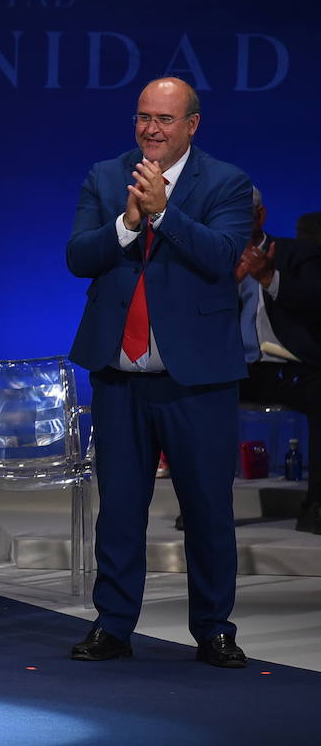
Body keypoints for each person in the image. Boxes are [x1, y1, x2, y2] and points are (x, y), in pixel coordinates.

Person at [67, 77, 253, 668]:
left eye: (165, 119)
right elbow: (78, 257)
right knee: (119, 508)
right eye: (143, 117)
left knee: (207, 509)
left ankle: (214, 628)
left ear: (192, 125)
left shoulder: (227, 182)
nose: (151, 128)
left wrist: (165, 213)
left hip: (196, 379)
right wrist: (125, 224)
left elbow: (221, 258)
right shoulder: (104, 175)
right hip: (120, 377)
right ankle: (114, 625)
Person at [235, 188, 321, 532]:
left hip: (291, 366)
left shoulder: (298, 252)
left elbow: (317, 300)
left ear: (259, 216)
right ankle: (204, 506)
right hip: (235, 368)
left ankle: (316, 505)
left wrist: (269, 279)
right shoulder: (211, 260)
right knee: (191, 393)